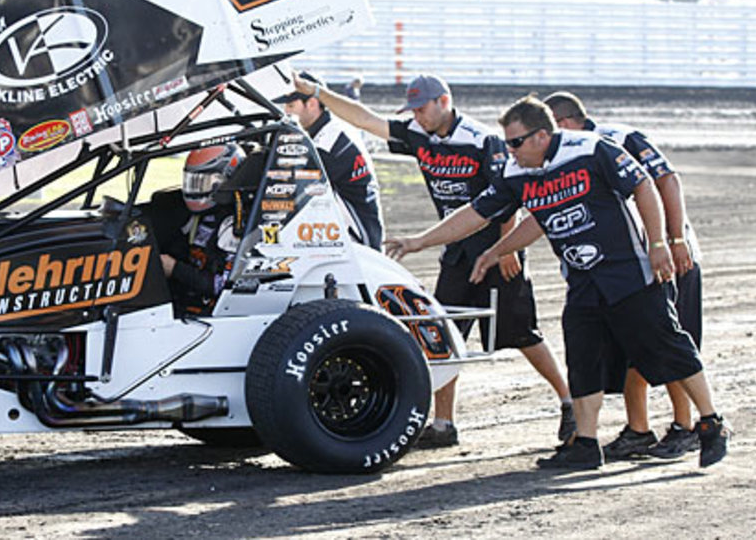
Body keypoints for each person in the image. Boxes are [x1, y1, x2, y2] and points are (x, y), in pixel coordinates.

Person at [386, 95, 730, 469]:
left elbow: (645, 185)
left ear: (542, 136)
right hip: (582, 281)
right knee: (582, 358)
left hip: (629, 272)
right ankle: (586, 444)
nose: (509, 151)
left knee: (666, 344)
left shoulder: (591, 149)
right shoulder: (518, 172)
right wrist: (429, 243)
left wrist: (661, 242)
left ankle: (710, 423)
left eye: (516, 142)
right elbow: (480, 213)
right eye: (507, 143)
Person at [293, 73, 574, 448]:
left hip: (495, 249)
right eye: (412, 111)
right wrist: (318, 93)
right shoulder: (419, 134)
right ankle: (444, 424)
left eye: (422, 109)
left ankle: (568, 402)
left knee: (521, 333)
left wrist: (507, 248)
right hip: (456, 252)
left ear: (444, 101)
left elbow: (507, 196)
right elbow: (365, 119)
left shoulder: (481, 139)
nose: (417, 117)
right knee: (442, 333)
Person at [545, 91, 705, 460]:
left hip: (664, 254)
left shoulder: (617, 137)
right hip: (623, 265)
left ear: (562, 124)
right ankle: (638, 429)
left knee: (664, 340)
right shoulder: (562, 156)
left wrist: (673, 239)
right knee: (631, 345)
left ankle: (685, 426)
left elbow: (667, 181)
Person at [273, 69, 385, 250]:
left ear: (312, 103)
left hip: (357, 241)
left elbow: (293, 180)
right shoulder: (328, 130)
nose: (286, 111)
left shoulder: (331, 139)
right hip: (343, 237)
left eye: (291, 106)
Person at [159, 143, 245, 315]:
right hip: (183, 300)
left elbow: (226, 286)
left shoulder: (234, 225)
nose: (194, 189)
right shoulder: (197, 217)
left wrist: (174, 268)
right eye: (191, 181)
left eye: (202, 182)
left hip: (210, 313)